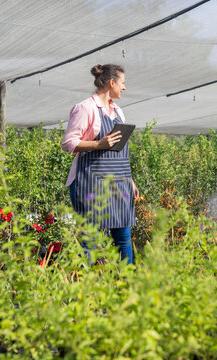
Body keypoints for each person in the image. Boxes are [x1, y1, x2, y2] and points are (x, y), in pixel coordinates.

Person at [61, 64, 139, 264]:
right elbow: (68, 143)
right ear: (112, 83)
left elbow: (121, 151)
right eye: (122, 83)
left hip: (119, 183)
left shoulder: (119, 112)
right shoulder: (85, 108)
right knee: (90, 241)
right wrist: (99, 144)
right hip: (90, 183)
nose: (124, 88)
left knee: (123, 239)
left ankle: (127, 286)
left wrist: (130, 181)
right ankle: (87, 289)